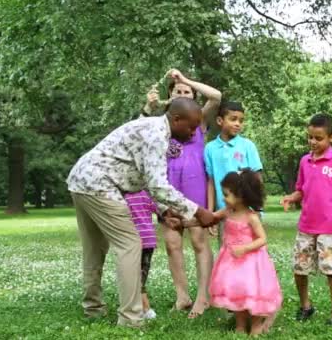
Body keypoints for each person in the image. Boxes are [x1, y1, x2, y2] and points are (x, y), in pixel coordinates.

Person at [66, 97, 216, 328]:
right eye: (191, 126)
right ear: (176, 119)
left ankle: (93, 308)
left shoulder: (153, 128)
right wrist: (197, 211)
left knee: (95, 249)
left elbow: (144, 177)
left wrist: (164, 211)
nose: (193, 132)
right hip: (99, 185)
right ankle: (131, 318)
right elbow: (157, 185)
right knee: (130, 245)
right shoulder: (157, 135)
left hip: (81, 180)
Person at [142, 69, 220, 318]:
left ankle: (202, 297)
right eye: (178, 92)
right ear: (170, 97)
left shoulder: (200, 121)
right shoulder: (162, 124)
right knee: (172, 244)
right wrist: (149, 105)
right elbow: (139, 130)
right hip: (168, 189)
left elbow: (216, 97)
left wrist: (184, 80)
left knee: (199, 242)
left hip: (195, 188)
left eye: (187, 93)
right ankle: (182, 296)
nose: (183, 93)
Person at [280, 113, 332, 326]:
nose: (313, 142)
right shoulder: (305, 161)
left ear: (331, 137)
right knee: (300, 269)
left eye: (319, 138)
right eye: (310, 137)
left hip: (330, 228)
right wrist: (292, 197)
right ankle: (306, 306)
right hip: (306, 226)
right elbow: (301, 190)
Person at [209, 169, 282, 335]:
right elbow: (211, 217)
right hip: (231, 261)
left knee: (252, 291)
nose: (223, 198)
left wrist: (245, 248)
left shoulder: (251, 217)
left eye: (226, 195)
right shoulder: (227, 212)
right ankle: (240, 324)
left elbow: (262, 239)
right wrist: (191, 220)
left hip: (251, 262)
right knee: (236, 292)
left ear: (241, 196)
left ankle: (256, 324)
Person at [204, 101, 263, 243]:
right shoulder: (210, 148)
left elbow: (257, 178)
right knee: (226, 250)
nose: (238, 124)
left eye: (241, 121)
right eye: (233, 119)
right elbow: (211, 182)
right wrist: (211, 213)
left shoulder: (247, 146)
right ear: (220, 120)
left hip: (247, 210)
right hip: (224, 210)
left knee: (250, 250)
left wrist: (258, 207)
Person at [123, 190, 158, 320]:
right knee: (142, 273)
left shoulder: (123, 197)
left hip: (133, 240)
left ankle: (144, 307)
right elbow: (157, 209)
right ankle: (143, 307)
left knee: (135, 275)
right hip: (149, 239)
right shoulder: (146, 194)